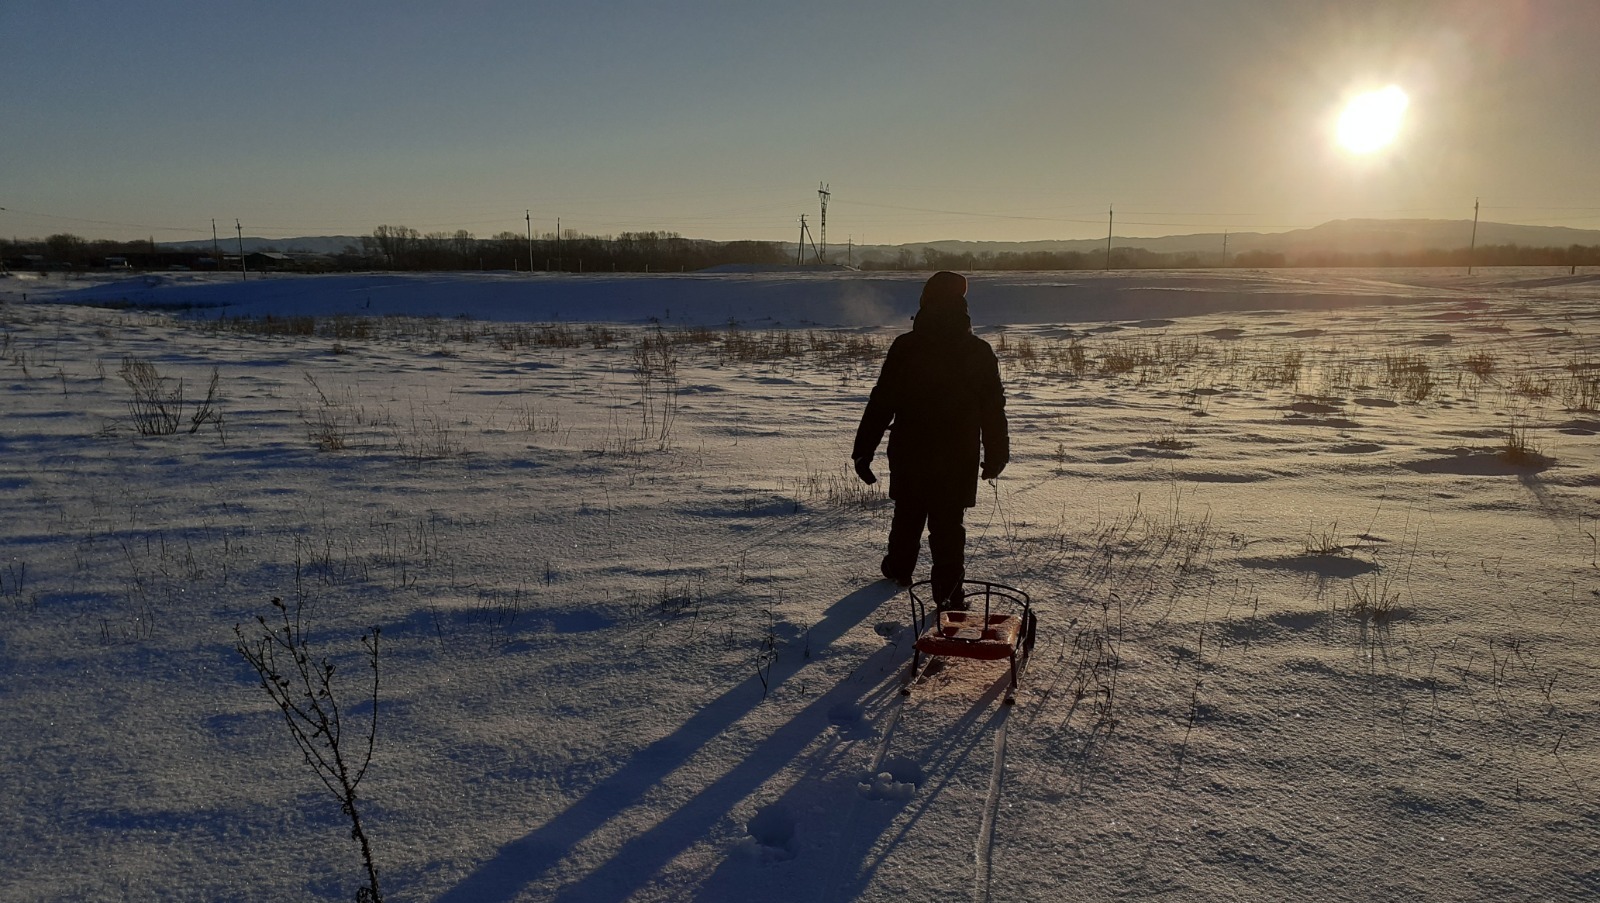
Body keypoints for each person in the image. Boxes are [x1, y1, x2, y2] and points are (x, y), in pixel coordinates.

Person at [852, 271, 1009, 607]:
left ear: (925, 302)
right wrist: (997, 453)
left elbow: (882, 402)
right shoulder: (978, 351)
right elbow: (992, 409)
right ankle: (948, 595)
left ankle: (899, 568)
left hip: (911, 450)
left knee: (908, 513)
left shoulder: (906, 347)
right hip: (958, 454)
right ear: (962, 306)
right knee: (949, 524)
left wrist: (864, 450)